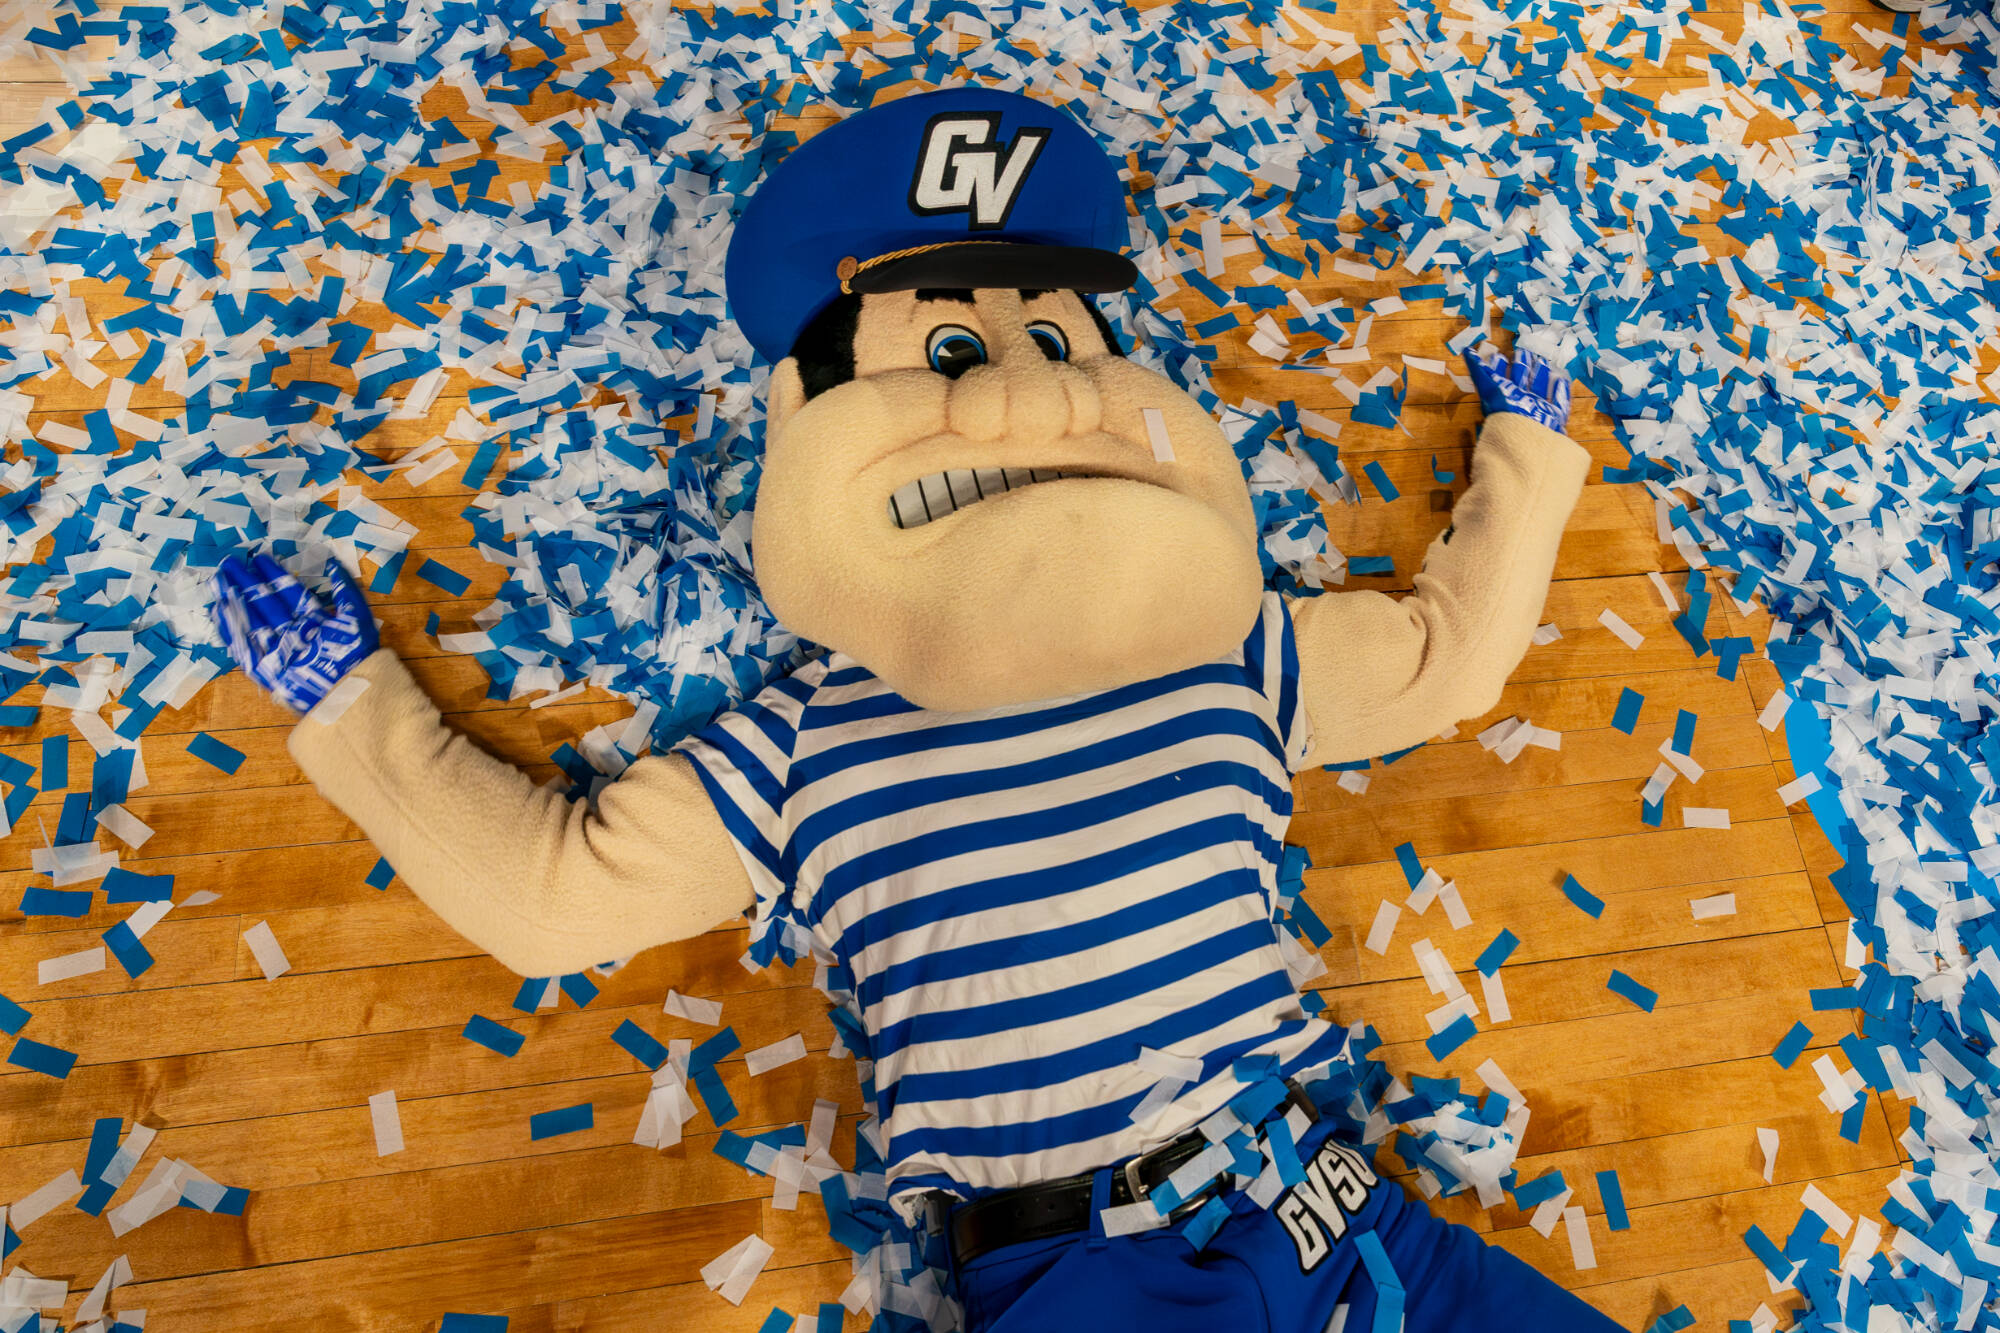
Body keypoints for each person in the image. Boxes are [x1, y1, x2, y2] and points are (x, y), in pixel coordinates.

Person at [213, 87, 1617, 1332]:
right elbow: (556, 896)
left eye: (1057, 344)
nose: (1024, 396)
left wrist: (1532, 452)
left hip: (1339, 1212)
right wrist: (350, 702)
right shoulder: (810, 740)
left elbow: (1443, 662)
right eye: (948, 352)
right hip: (1088, 1271)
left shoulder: (1232, 645)